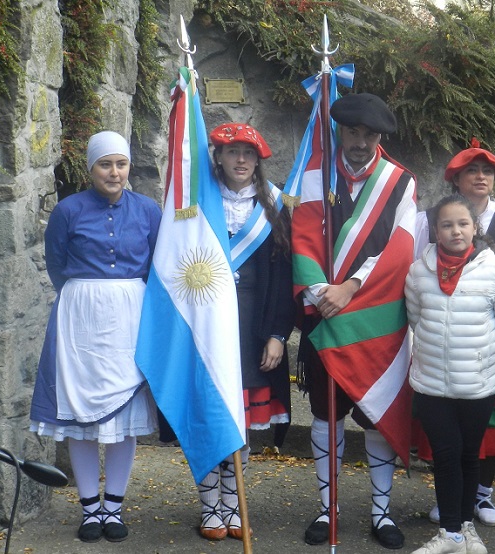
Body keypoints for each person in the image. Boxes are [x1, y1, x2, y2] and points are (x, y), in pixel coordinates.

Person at [292, 93, 417, 549]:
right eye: (352, 132)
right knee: (327, 415)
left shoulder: (401, 182)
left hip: (375, 318)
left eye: (369, 134)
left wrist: (350, 289)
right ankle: (329, 509)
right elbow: (302, 236)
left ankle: (381, 512)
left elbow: (399, 249)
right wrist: (320, 293)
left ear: (380, 137)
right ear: (339, 132)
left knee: (375, 413)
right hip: (324, 314)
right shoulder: (315, 175)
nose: (360, 142)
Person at [30, 131, 161, 543]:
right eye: (105, 164)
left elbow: (158, 263)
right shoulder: (68, 211)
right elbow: (56, 263)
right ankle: (90, 510)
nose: (115, 172)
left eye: (120, 164)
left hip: (131, 317)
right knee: (79, 415)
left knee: (122, 419)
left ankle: (114, 507)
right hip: (80, 318)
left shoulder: (148, 210)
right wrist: (84, 297)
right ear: (91, 168)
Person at [414, 138, 495, 526]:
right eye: (472, 170)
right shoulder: (428, 219)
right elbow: (416, 284)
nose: (481, 176)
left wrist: (493, 327)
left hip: (494, 336)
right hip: (442, 344)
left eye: (488, 171)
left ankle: (482, 495)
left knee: (492, 420)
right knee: (447, 428)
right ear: (456, 179)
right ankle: (451, 500)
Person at [191, 123, 295, 541]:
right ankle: (210, 506)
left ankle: (234, 506)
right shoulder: (198, 202)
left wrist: (276, 334)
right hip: (207, 322)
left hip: (253, 323)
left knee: (240, 422)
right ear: (218, 156)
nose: (240, 160)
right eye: (232, 152)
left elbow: (285, 273)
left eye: (248, 154)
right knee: (210, 414)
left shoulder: (273, 205)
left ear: (258, 161)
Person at [407, 194, 495, 554]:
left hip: (478, 386)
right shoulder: (418, 271)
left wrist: (486, 364)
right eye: (446, 224)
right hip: (431, 386)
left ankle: (466, 529)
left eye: (463, 223)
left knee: (469, 455)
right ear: (436, 231)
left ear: (476, 228)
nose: (455, 231)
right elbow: (415, 319)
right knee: (446, 453)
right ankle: (451, 533)